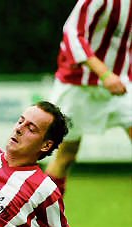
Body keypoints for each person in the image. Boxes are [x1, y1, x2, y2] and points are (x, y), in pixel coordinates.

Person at [45, 0, 131, 195]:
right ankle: (41, 218)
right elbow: (72, 33)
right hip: (78, 85)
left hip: (122, 85)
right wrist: (105, 74)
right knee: (65, 155)